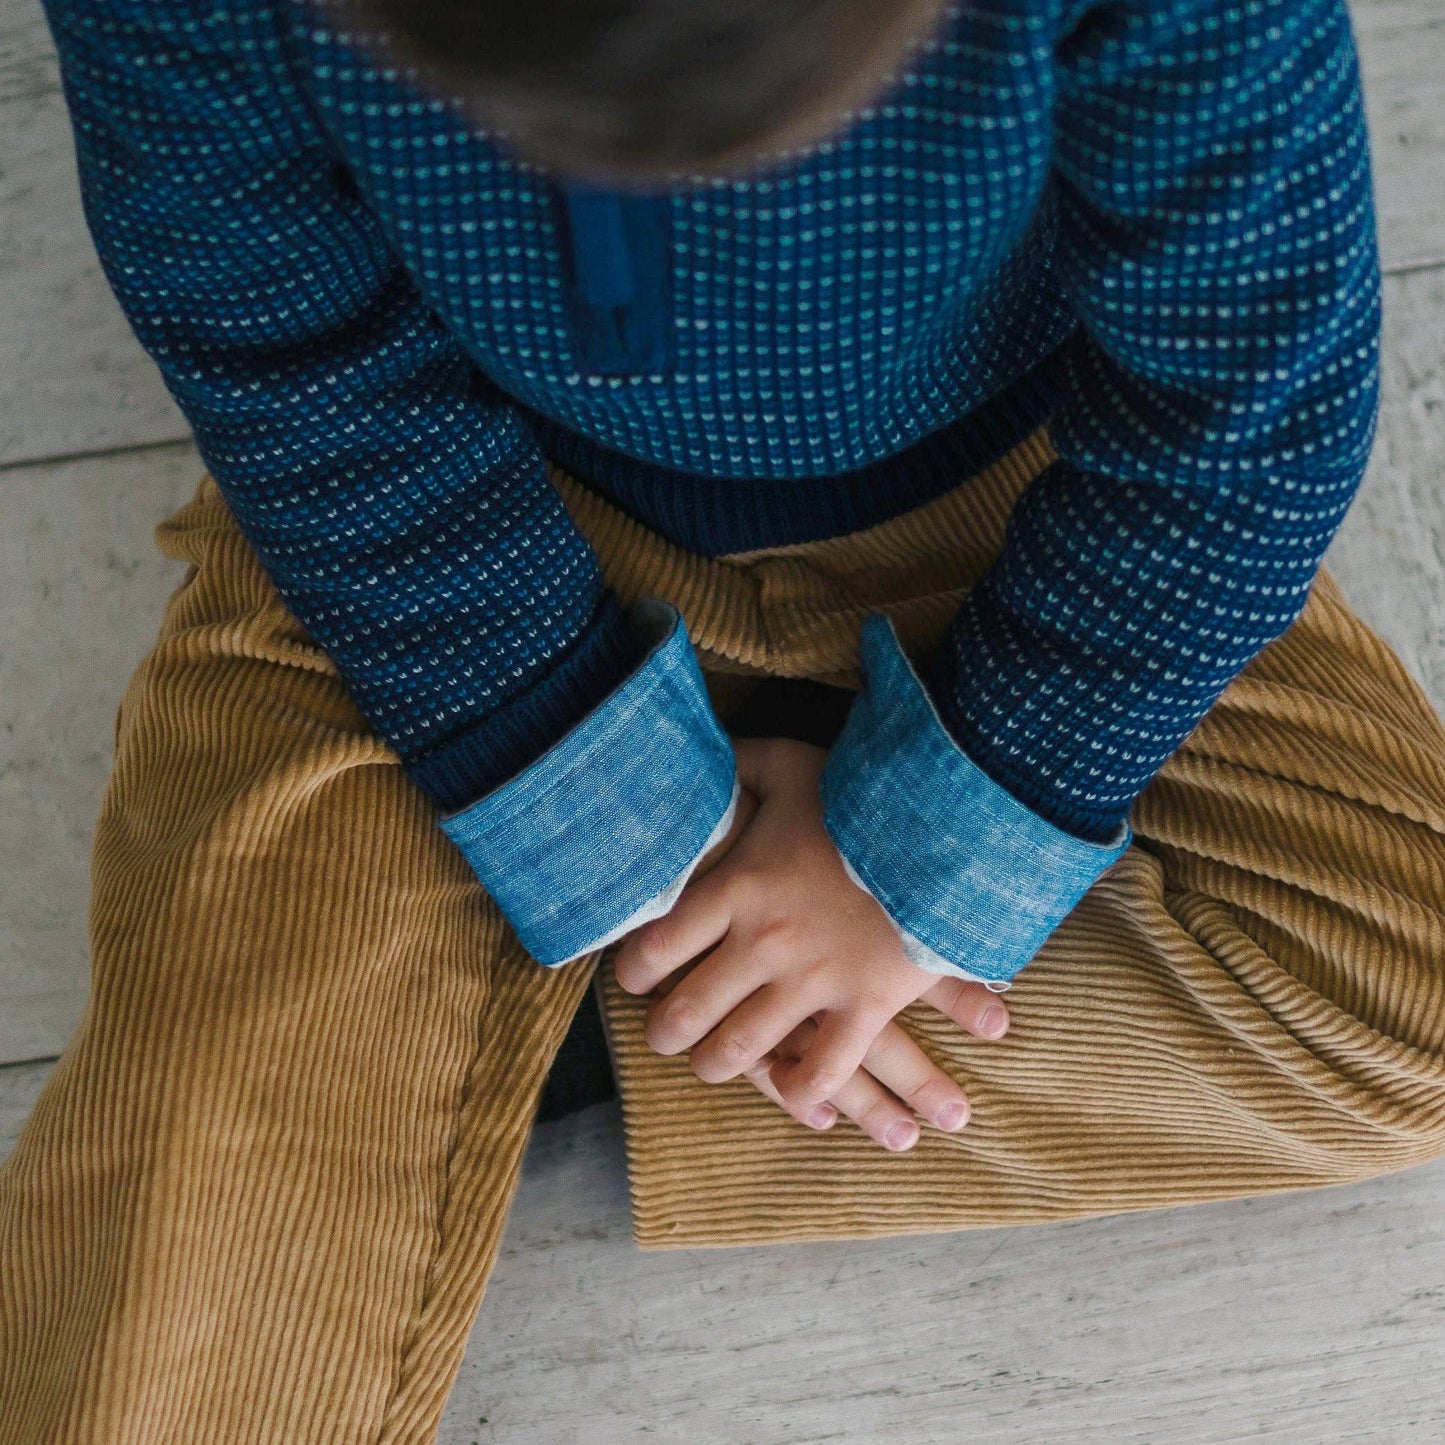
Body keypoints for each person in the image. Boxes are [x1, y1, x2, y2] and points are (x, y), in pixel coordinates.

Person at [4, 0, 1443, 1439]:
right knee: (154, 1331)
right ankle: (637, 986)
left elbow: (1247, 399)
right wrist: (593, 802)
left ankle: (574, 1021)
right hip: (450, 513)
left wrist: (898, 874)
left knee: (1414, 997)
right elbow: (286, 348)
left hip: (1027, 496)